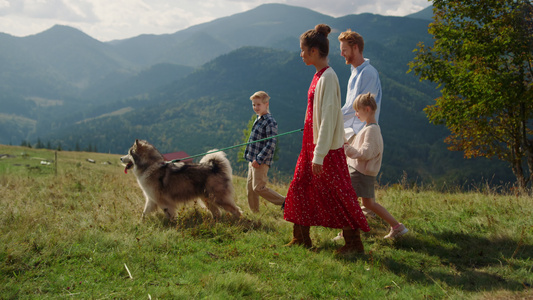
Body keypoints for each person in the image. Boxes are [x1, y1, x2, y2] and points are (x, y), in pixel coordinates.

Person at [283, 24, 370, 255]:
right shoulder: (318, 75)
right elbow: (315, 113)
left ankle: (353, 244)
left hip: (324, 149)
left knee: (337, 191)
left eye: (302, 50)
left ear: (313, 51)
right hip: (311, 145)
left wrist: (319, 154)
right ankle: (301, 238)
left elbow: (330, 117)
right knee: (302, 187)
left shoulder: (328, 77)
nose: (300, 54)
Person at [344, 92, 408, 239]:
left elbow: (365, 153)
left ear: (367, 109)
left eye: (357, 111)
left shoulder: (371, 130)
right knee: (369, 203)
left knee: (349, 201)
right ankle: (397, 227)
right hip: (364, 172)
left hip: (360, 173)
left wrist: (346, 147)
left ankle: (347, 232)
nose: (356, 114)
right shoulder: (370, 127)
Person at [244, 91, 285, 213]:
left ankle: (285, 201)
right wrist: (250, 157)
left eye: (258, 104)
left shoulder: (270, 121)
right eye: (253, 105)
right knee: (250, 189)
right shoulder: (259, 119)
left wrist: (259, 159)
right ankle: (255, 214)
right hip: (252, 159)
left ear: (266, 104)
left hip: (261, 161)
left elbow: (271, 143)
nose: (255, 107)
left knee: (258, 188)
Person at [338, 29, 382, 141]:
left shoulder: (368, 73)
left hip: (360, 135)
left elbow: (358, 107)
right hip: (350, 133)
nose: (342, 54)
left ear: (355, 48)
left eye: (344, 50)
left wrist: (332, 119)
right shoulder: (355, 72)